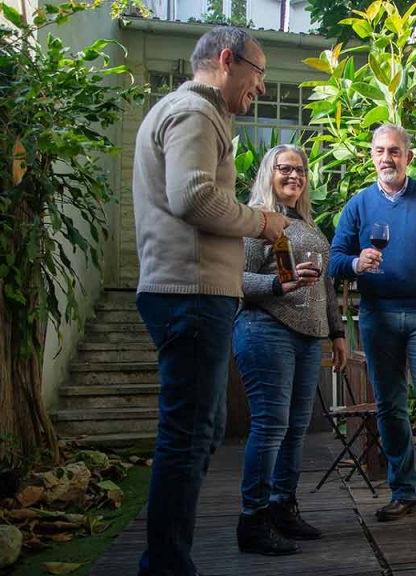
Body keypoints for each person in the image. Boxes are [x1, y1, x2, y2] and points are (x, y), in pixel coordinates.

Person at [132, 26, 289, 575]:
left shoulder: (185, 112)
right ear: (228, 60)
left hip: (187, 295)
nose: (261, 89)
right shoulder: (196, 113)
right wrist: (264, 223)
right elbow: (194, 196)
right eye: (258, 74)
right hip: (190, 295)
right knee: (189, 437)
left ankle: (167, 562)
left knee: (194, 433)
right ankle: (167, 567)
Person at [328, 123, 416, 539]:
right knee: (390, 407)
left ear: (408, 157)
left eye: (394, 151)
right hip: (378, 317)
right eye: (379, 151)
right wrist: (356, 263)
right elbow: (335, 258)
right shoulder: (358, 205)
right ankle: (404, 491)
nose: (386, 158)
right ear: (371, 156)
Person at [233, 145, 348, 555]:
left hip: (306, 337)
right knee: (270, 427)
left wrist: (337, 333)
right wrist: (275, 285)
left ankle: (283, 507)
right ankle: (253, 519)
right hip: (266, 330)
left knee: (295, 429)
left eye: (300, 170)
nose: (294, 176)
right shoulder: (256, 221)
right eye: (285, 169)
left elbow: (326, 285)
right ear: (269, 172)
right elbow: (233, 279)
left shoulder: (309, 225)